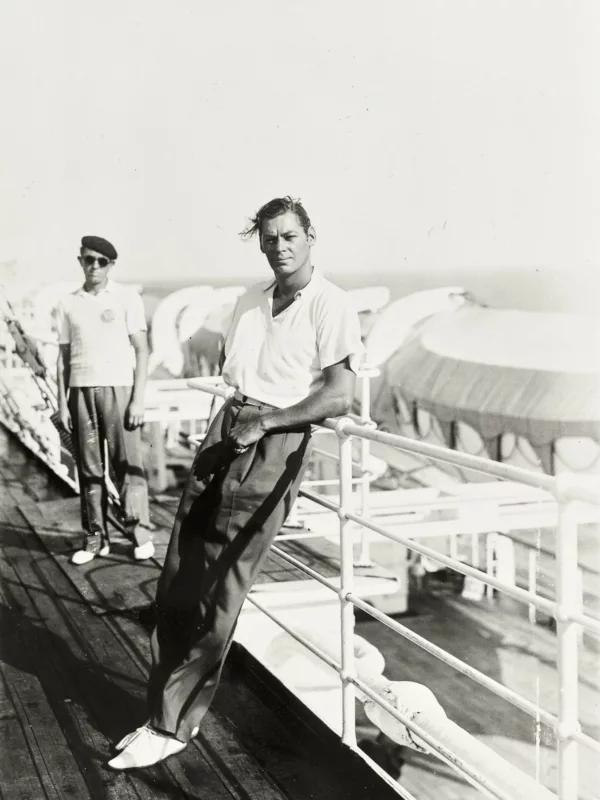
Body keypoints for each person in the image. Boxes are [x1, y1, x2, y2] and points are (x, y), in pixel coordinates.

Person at [109, 196, 364, 769]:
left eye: (290, 235)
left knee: (220, 588)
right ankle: (162, 714)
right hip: (227, 428)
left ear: (310, 236)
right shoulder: (251, 299)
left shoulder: (332, 304)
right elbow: (235, 368)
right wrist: (233, 422)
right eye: (269, 238)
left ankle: (175, 723)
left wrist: (266, 422)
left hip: (271, 440)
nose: (280, 246)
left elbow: (340, 394)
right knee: (178, 574)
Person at [56, 235, 154, 565]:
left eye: (101, 261)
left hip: (119, 389)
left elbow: (142, 350)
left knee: (129, 465)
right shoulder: (68, 303)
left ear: (111, 264)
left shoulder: (127, 298)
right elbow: (63, 359)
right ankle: (96, 538)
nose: (94, 266)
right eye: (88, 259)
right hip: (80, 391)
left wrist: (138, 400)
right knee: (89, 469)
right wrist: (62, 401)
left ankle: (139, 532)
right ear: (80, 260)